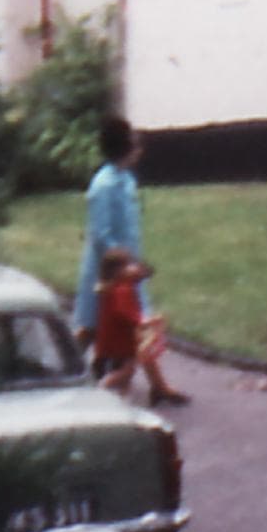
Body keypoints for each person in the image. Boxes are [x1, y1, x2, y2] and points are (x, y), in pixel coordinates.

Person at [74, 117, 186, 403]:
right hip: (109, 271)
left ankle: (158, 386)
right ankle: (65, 372)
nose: (140, 147)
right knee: (92, 326)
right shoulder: (104, 185)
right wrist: (123, 266)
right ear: (124, 147)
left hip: (127, 267)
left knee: (136, 326)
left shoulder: (125, 179)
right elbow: (102, 234)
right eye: (135, 142)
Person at [90, 250, 179, 405]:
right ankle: (100, 391)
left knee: (126, 372)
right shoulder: (122, 291)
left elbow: (141, 277)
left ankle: (122, 401)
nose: (135, 267)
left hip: (115, 338)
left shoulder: (118, 286)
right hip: (120, 340)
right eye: (130, 265)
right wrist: (149, 321)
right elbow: (127, 314)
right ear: (118, 271)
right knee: (125, 371)